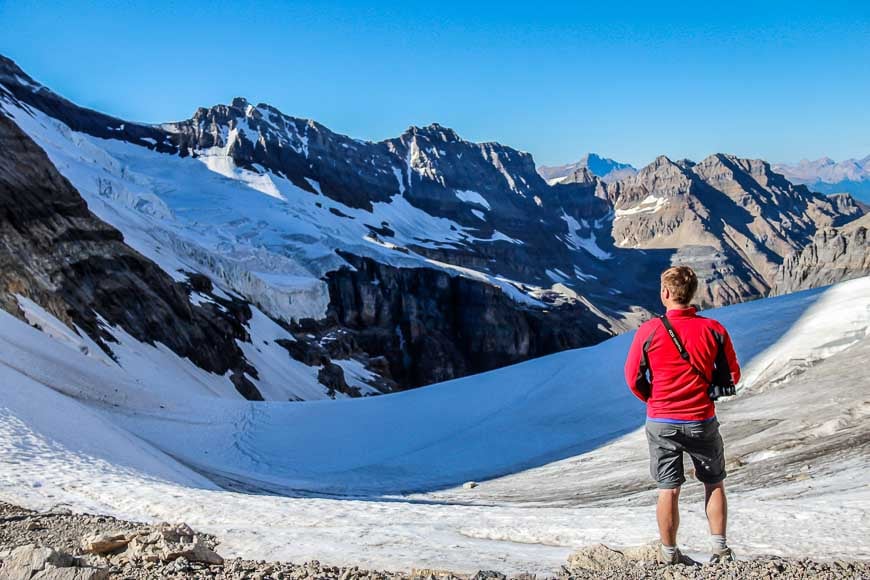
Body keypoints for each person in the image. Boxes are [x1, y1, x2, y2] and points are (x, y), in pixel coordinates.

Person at [624, 266, 741, 565]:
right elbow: (733, 375)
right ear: (692, 294)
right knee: (713, 482)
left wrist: (654, 400)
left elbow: (632, 377)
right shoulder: (714, 330)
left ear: (665, 293)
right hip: (701, 418)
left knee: (668, 488)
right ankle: (720, 549)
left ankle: (669, 554)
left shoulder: (648, 331)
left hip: (662, 420)